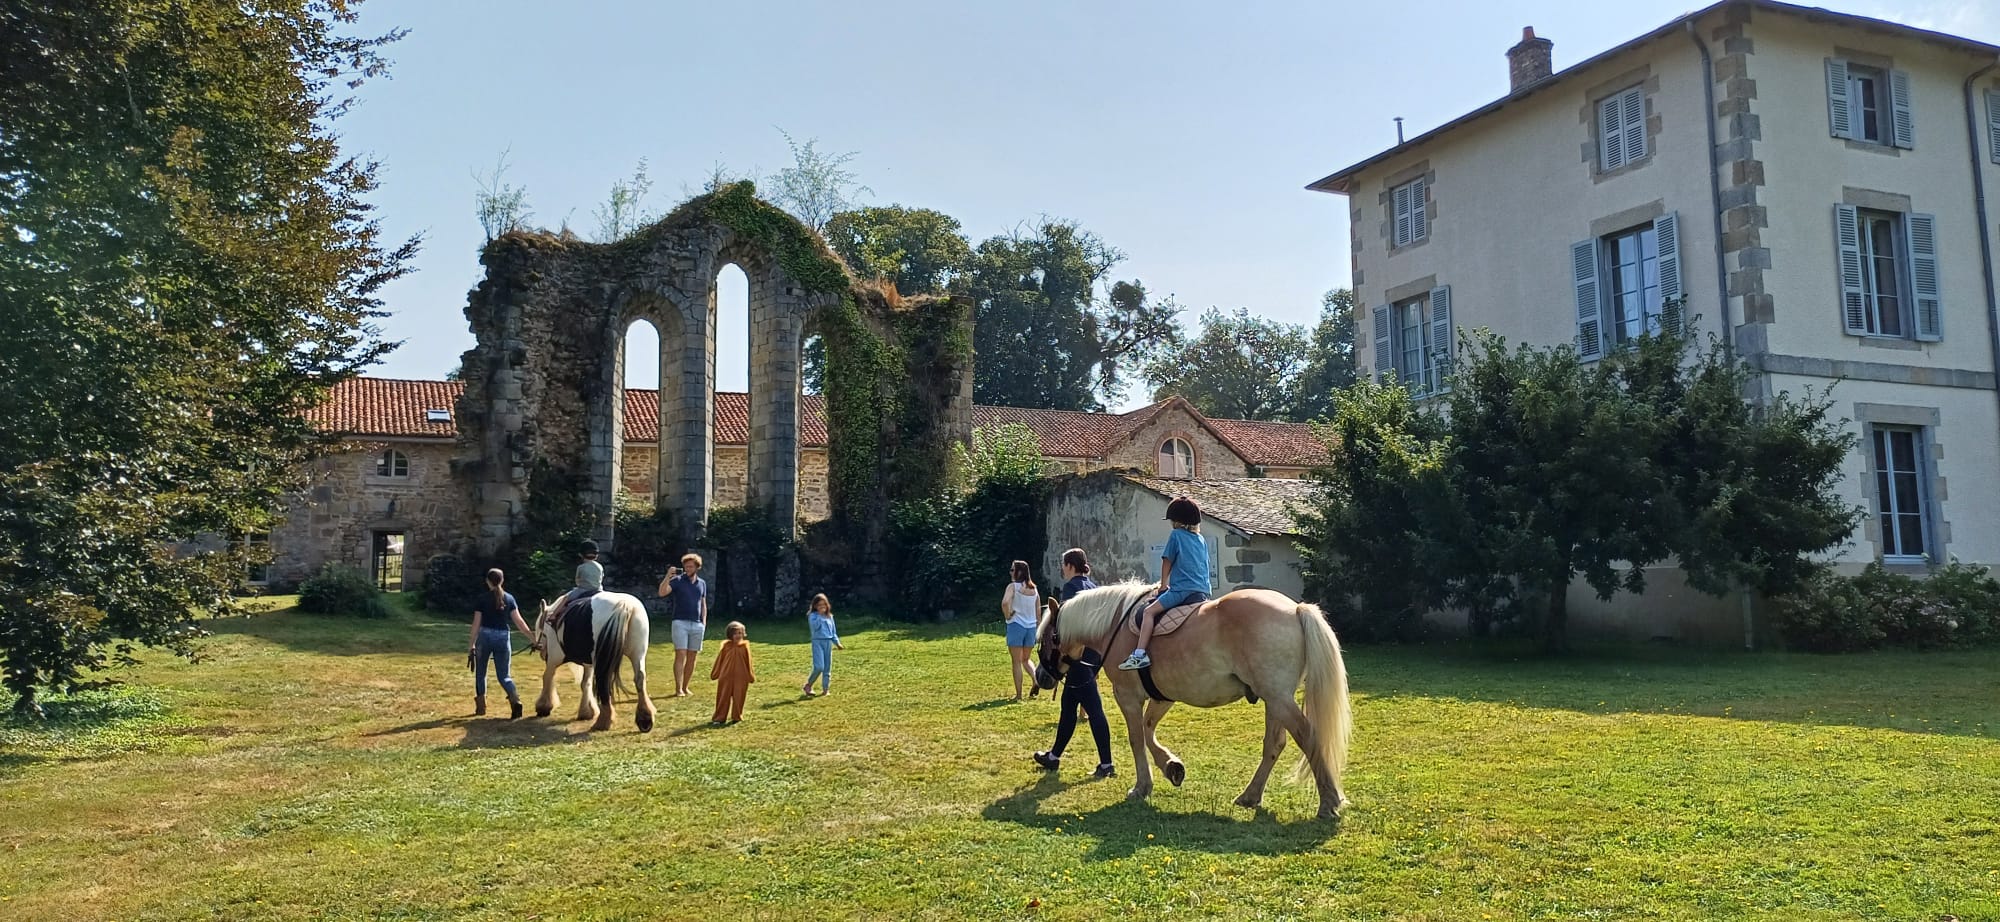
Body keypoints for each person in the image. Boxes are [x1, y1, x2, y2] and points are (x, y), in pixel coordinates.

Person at [1033, 548, 1114, 778]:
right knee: (1068, 706)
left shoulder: (1071, 588)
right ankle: (1054, 757)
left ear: (1070, 566)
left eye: (1063, 565)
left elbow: (1066, 626)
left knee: (1094, 708)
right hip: (1093, 656)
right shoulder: (1094, 587)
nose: (1062, 569)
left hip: (1076, 657)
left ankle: (1107, 764)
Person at [1119, 496, 1211, 671]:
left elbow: (1167, 561)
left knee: (1148, 612)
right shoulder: (1201, 539)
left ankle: (1139, 654)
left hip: (1182, 590)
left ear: (1177, 521)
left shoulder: (1176, 535)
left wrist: (1163, 586)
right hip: (1202, 592)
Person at [468, 568, 536, 719]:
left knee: (481, 673)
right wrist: (533, 639)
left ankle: (481, 707)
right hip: (503, 638)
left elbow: (476, 624)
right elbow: (519, 622)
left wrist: (471, 644)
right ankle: (515, 699)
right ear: (502, 580)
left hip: (484, 637)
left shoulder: (482, 599)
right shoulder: (510, 599)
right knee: (504, 675)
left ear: (487, 581)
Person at [657, 553, 708, 697]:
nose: (688, 569)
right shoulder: (677, 580)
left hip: (697, 624)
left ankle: (686, 687)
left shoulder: (702, 583)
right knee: (681, 654)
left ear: (697, 567)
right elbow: (662, 592)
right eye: (686, 566)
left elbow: (703, 604)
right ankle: (678, 688)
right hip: (680, 622)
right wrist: (668, 576)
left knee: (692, 656)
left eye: (691, 566)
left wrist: (704, 622)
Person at [1001, 561, 1040, 701]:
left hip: (1016, 625)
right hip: (1031, 627)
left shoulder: (1013, 587)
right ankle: (1036, 679)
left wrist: (1008, 614)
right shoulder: (1034, 589)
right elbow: (1038, 612)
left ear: (1018, 572)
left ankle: (1018, 695)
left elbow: (1005, 603)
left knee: (1016, 662)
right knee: (1026, 659)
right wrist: (1038, 629)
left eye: (1012, 570)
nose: (1010, 572)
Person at [708, 621, 755, 724]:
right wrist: (715, 673)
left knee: (739, 697)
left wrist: (750, 676)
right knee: (723, 696)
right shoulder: (726, 647)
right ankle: (719, 717)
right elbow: (719, 660)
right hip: (726, 676)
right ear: (730, 634)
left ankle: (737, 716)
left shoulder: (744, 647)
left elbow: (748, 662)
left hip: (741, 677)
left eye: (740, 633)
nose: (738, 635)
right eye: (735, 633)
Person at [803, 593, 843, 697]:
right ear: (815, 606)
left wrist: (837, 643)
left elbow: (833, 632)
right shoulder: (813, 616)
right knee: (819, 667)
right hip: (817, 642)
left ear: (827, 605)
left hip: (828, 642)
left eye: (824, 605)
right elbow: (814, 628)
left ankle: (825, 689)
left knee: (827, 667)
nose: (822, 607)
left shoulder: (830, 617)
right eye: (819, 605)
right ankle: (808, 685)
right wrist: (820, 616)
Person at [557, 539, 604, 610]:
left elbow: (577, 580)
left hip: (583, 590)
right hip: (598, 590)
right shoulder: (600, 566)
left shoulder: (581, 567)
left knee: (565, 598)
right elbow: (601, 577)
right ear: (596, 555)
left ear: (580, 554)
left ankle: (553, 615)